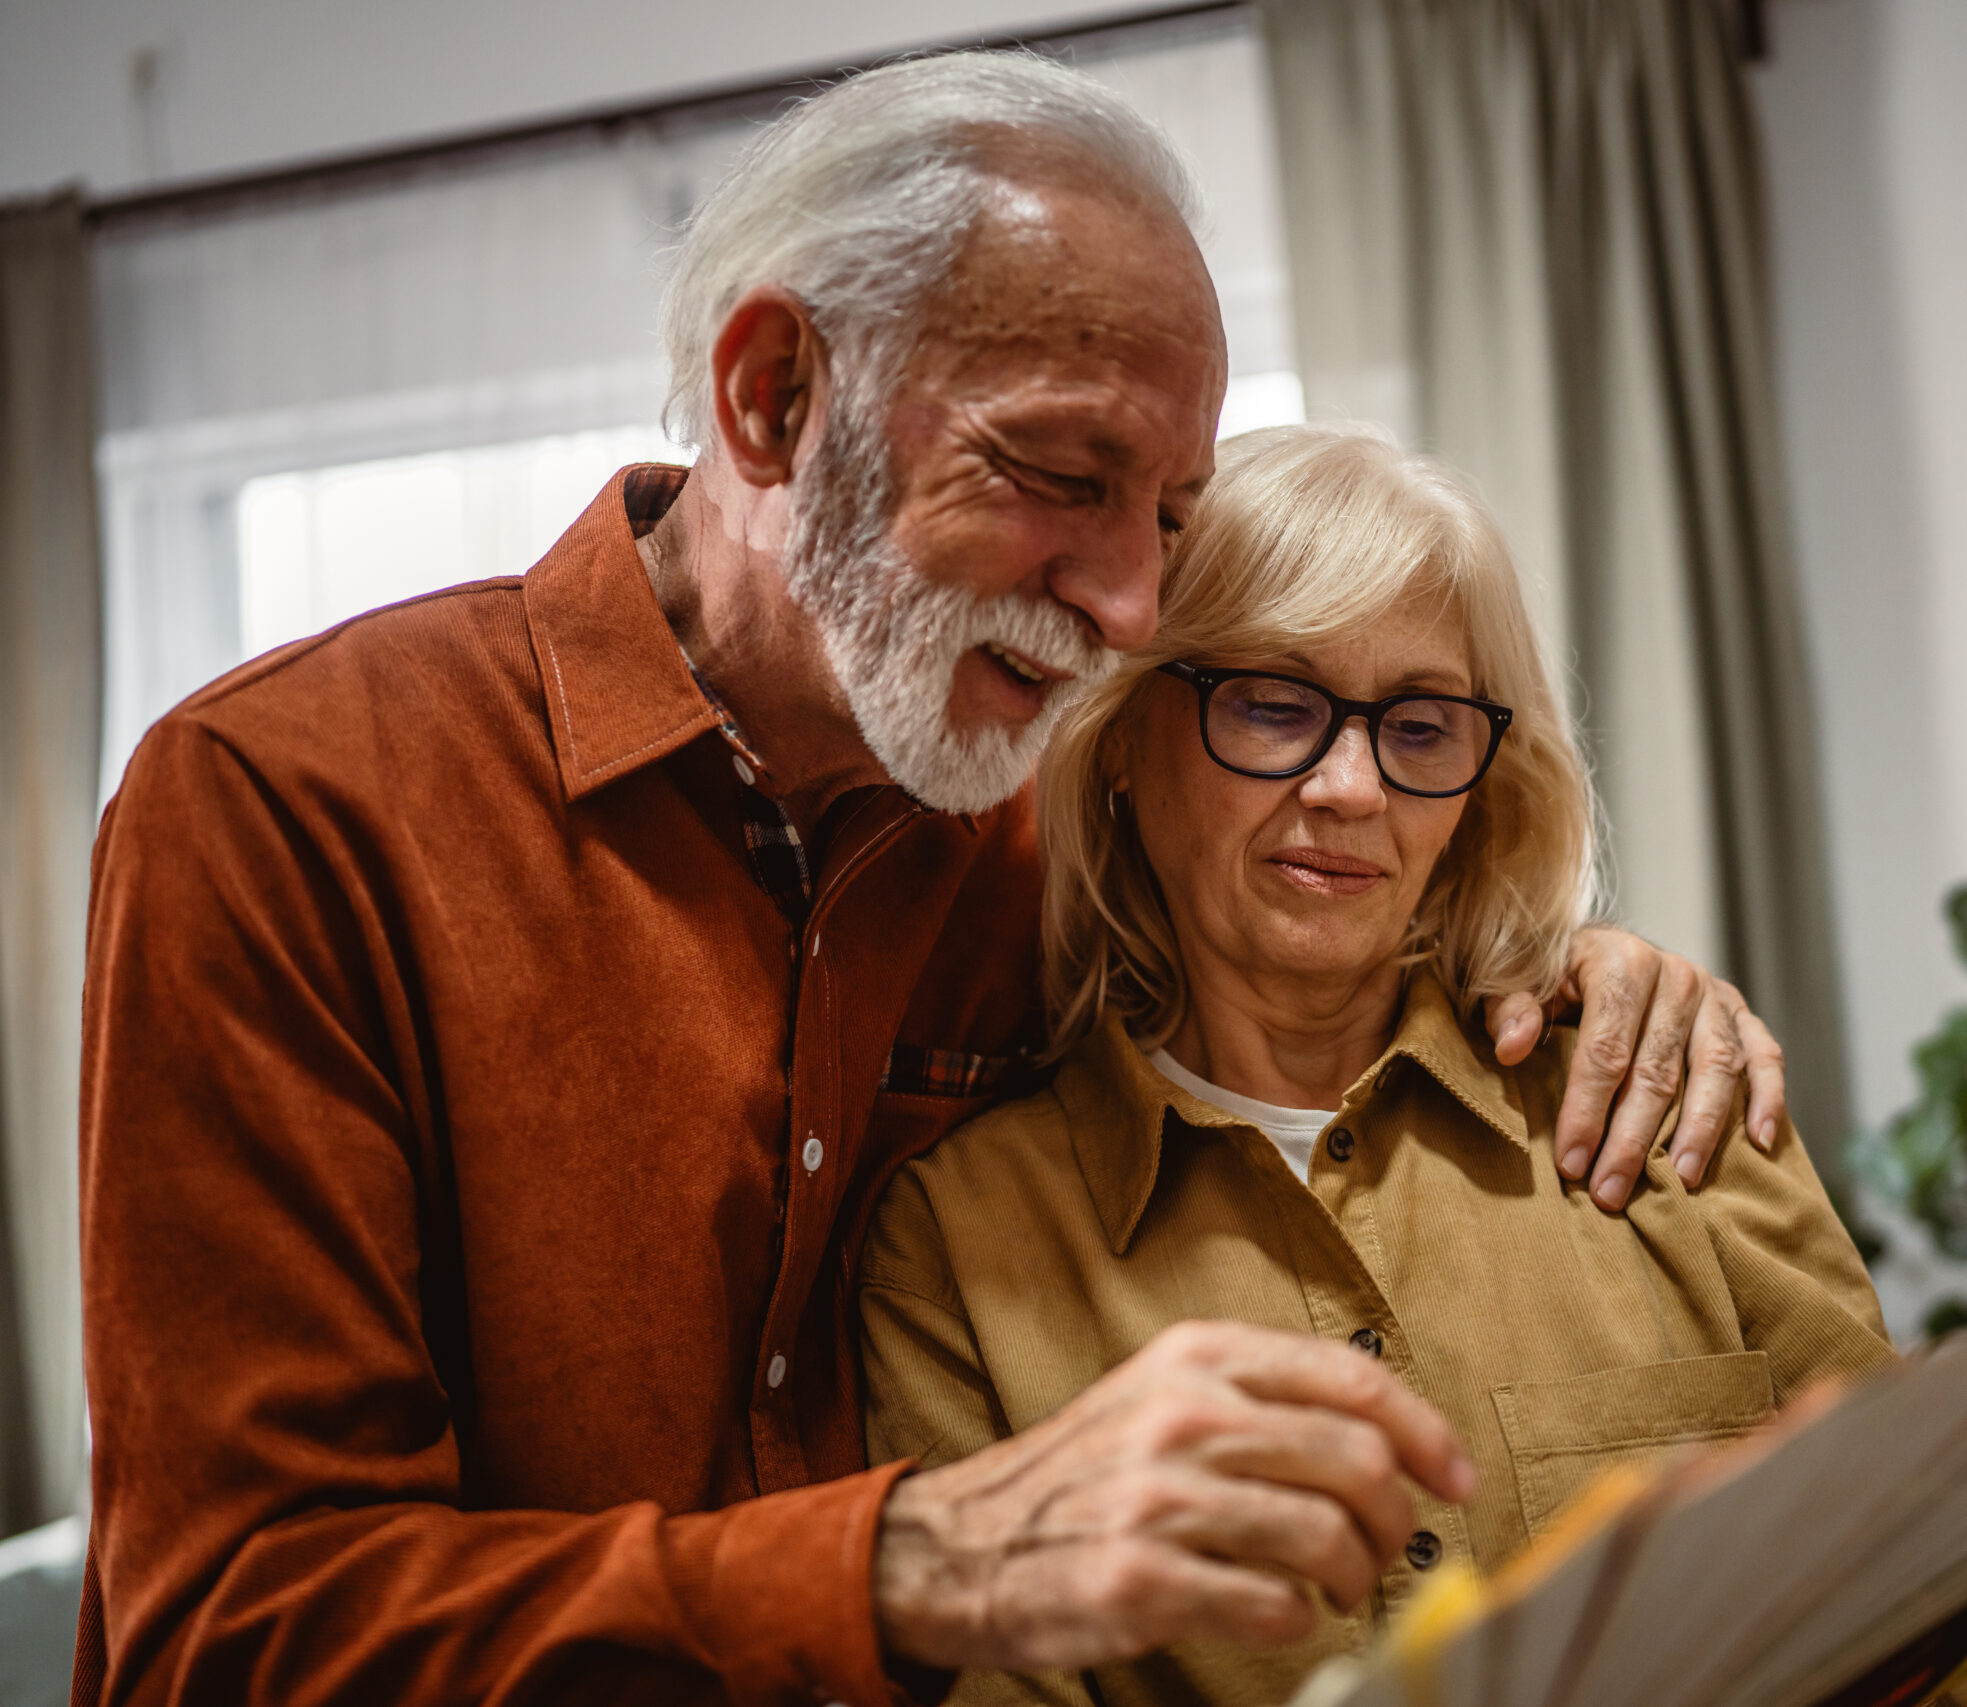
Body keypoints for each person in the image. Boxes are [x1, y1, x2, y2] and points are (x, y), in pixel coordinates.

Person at [74, 54, 1804, 1707]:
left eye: (1175, 520)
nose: (1131, 609)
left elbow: (1336, 932)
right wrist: (910, 1566)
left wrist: (1582, 966)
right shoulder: (288, 803)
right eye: (1062, 478)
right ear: (774, 398)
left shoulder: (1053, 815)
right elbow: (230, 1641)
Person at [857, 425, 1967, 1707]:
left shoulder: (1675, 1116)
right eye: (1270, 700)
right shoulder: (956, 1248)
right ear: (1124, 742)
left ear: (1480, 784)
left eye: (1421, 723)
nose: (1352, 786)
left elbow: (1942, 1654)